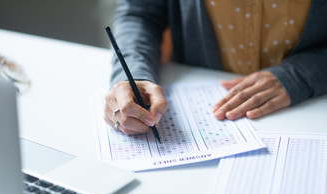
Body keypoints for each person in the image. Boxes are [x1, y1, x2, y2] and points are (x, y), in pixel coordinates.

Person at [104, 0, 327, 135]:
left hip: (313, 107)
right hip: (208, 111)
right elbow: (141, 13)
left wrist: (301, 75)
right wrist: (131, 74)